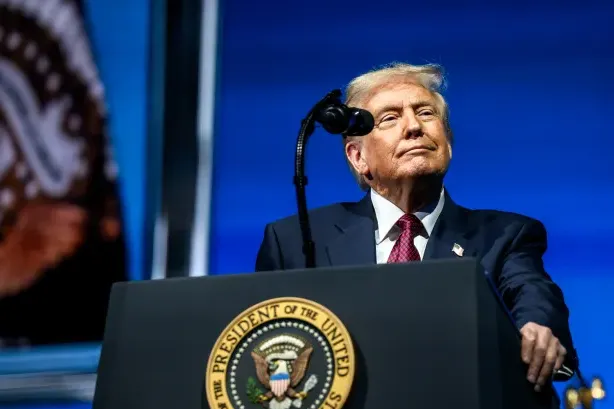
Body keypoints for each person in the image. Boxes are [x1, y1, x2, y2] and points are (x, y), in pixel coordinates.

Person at [255, 62, 577, 392]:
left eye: (425, 113)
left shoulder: (505, 235)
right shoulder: (294, 241)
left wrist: (537, 326)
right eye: (389, 118)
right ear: (358, 157)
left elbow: (531, 291)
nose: (413, 126)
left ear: (447, 143)